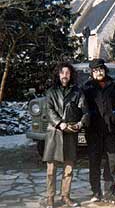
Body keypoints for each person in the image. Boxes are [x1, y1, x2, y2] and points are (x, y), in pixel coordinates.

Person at [43, 62, 89, 208]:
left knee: (69, 169)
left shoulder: (78, 92)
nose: (65, 75)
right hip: (54, 133)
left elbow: (85, 111)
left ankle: (65, 196)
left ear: (71, 74)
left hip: (70, 134)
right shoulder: (51, 91)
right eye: (62, 72)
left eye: (67, 73)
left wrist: (80, 124)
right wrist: (59, 123)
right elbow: (49, 110)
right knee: (51, 170)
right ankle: (50, 197)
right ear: (58, 74)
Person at [83, 58, 115, 204]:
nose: (98, 72)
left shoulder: (114, 84)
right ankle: (96, 192)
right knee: (94, 162)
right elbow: (81, 105)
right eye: (95, 70)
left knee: (113, 162)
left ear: (105, 69)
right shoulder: (87, 87)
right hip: (93, 130)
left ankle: (110, 192)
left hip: (110, 129)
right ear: (92, 72)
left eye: (100, 69)